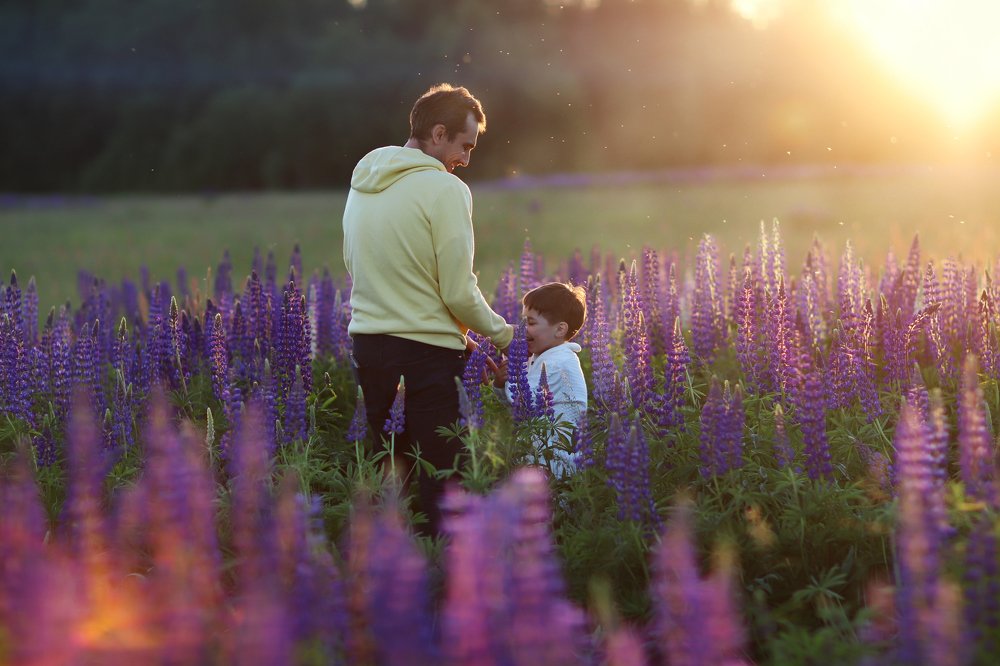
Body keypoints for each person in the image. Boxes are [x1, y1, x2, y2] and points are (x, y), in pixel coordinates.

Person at [342, 83, 513, 537]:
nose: (467, 159)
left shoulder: (363, 183)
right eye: (465, 145)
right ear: (438, 134)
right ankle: (445, 574)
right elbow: (457, 291)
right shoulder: (445, 189)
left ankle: (383, 573)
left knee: (390, 484)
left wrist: (461, 337)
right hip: (427, 361)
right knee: (443, 487)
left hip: (369, 351)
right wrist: (506, 336)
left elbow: (364, 269)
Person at [494, 282, 588, 478]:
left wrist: (508, 380)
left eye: (531, 323)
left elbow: (524, 401)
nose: (523, 328)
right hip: (542, 455)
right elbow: (518, 409)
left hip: (555, 462)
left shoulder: (557, 362)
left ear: (560, 330)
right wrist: (502, 384)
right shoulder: (545, 356)